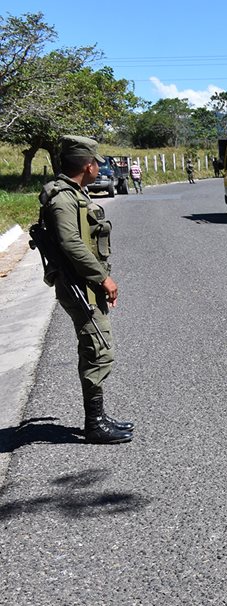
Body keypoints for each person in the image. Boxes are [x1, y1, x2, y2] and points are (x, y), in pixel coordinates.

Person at [37, 136, 133, 444]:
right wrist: (103, 278)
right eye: (97, 162)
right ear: (88, 165)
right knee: (99, 349)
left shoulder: (74, 193)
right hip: (79, 285)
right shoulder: (63, 199)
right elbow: (71, 244)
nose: (98, 167)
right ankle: (94, 425)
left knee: (94, 347)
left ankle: (98, 417)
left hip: (85, 283)